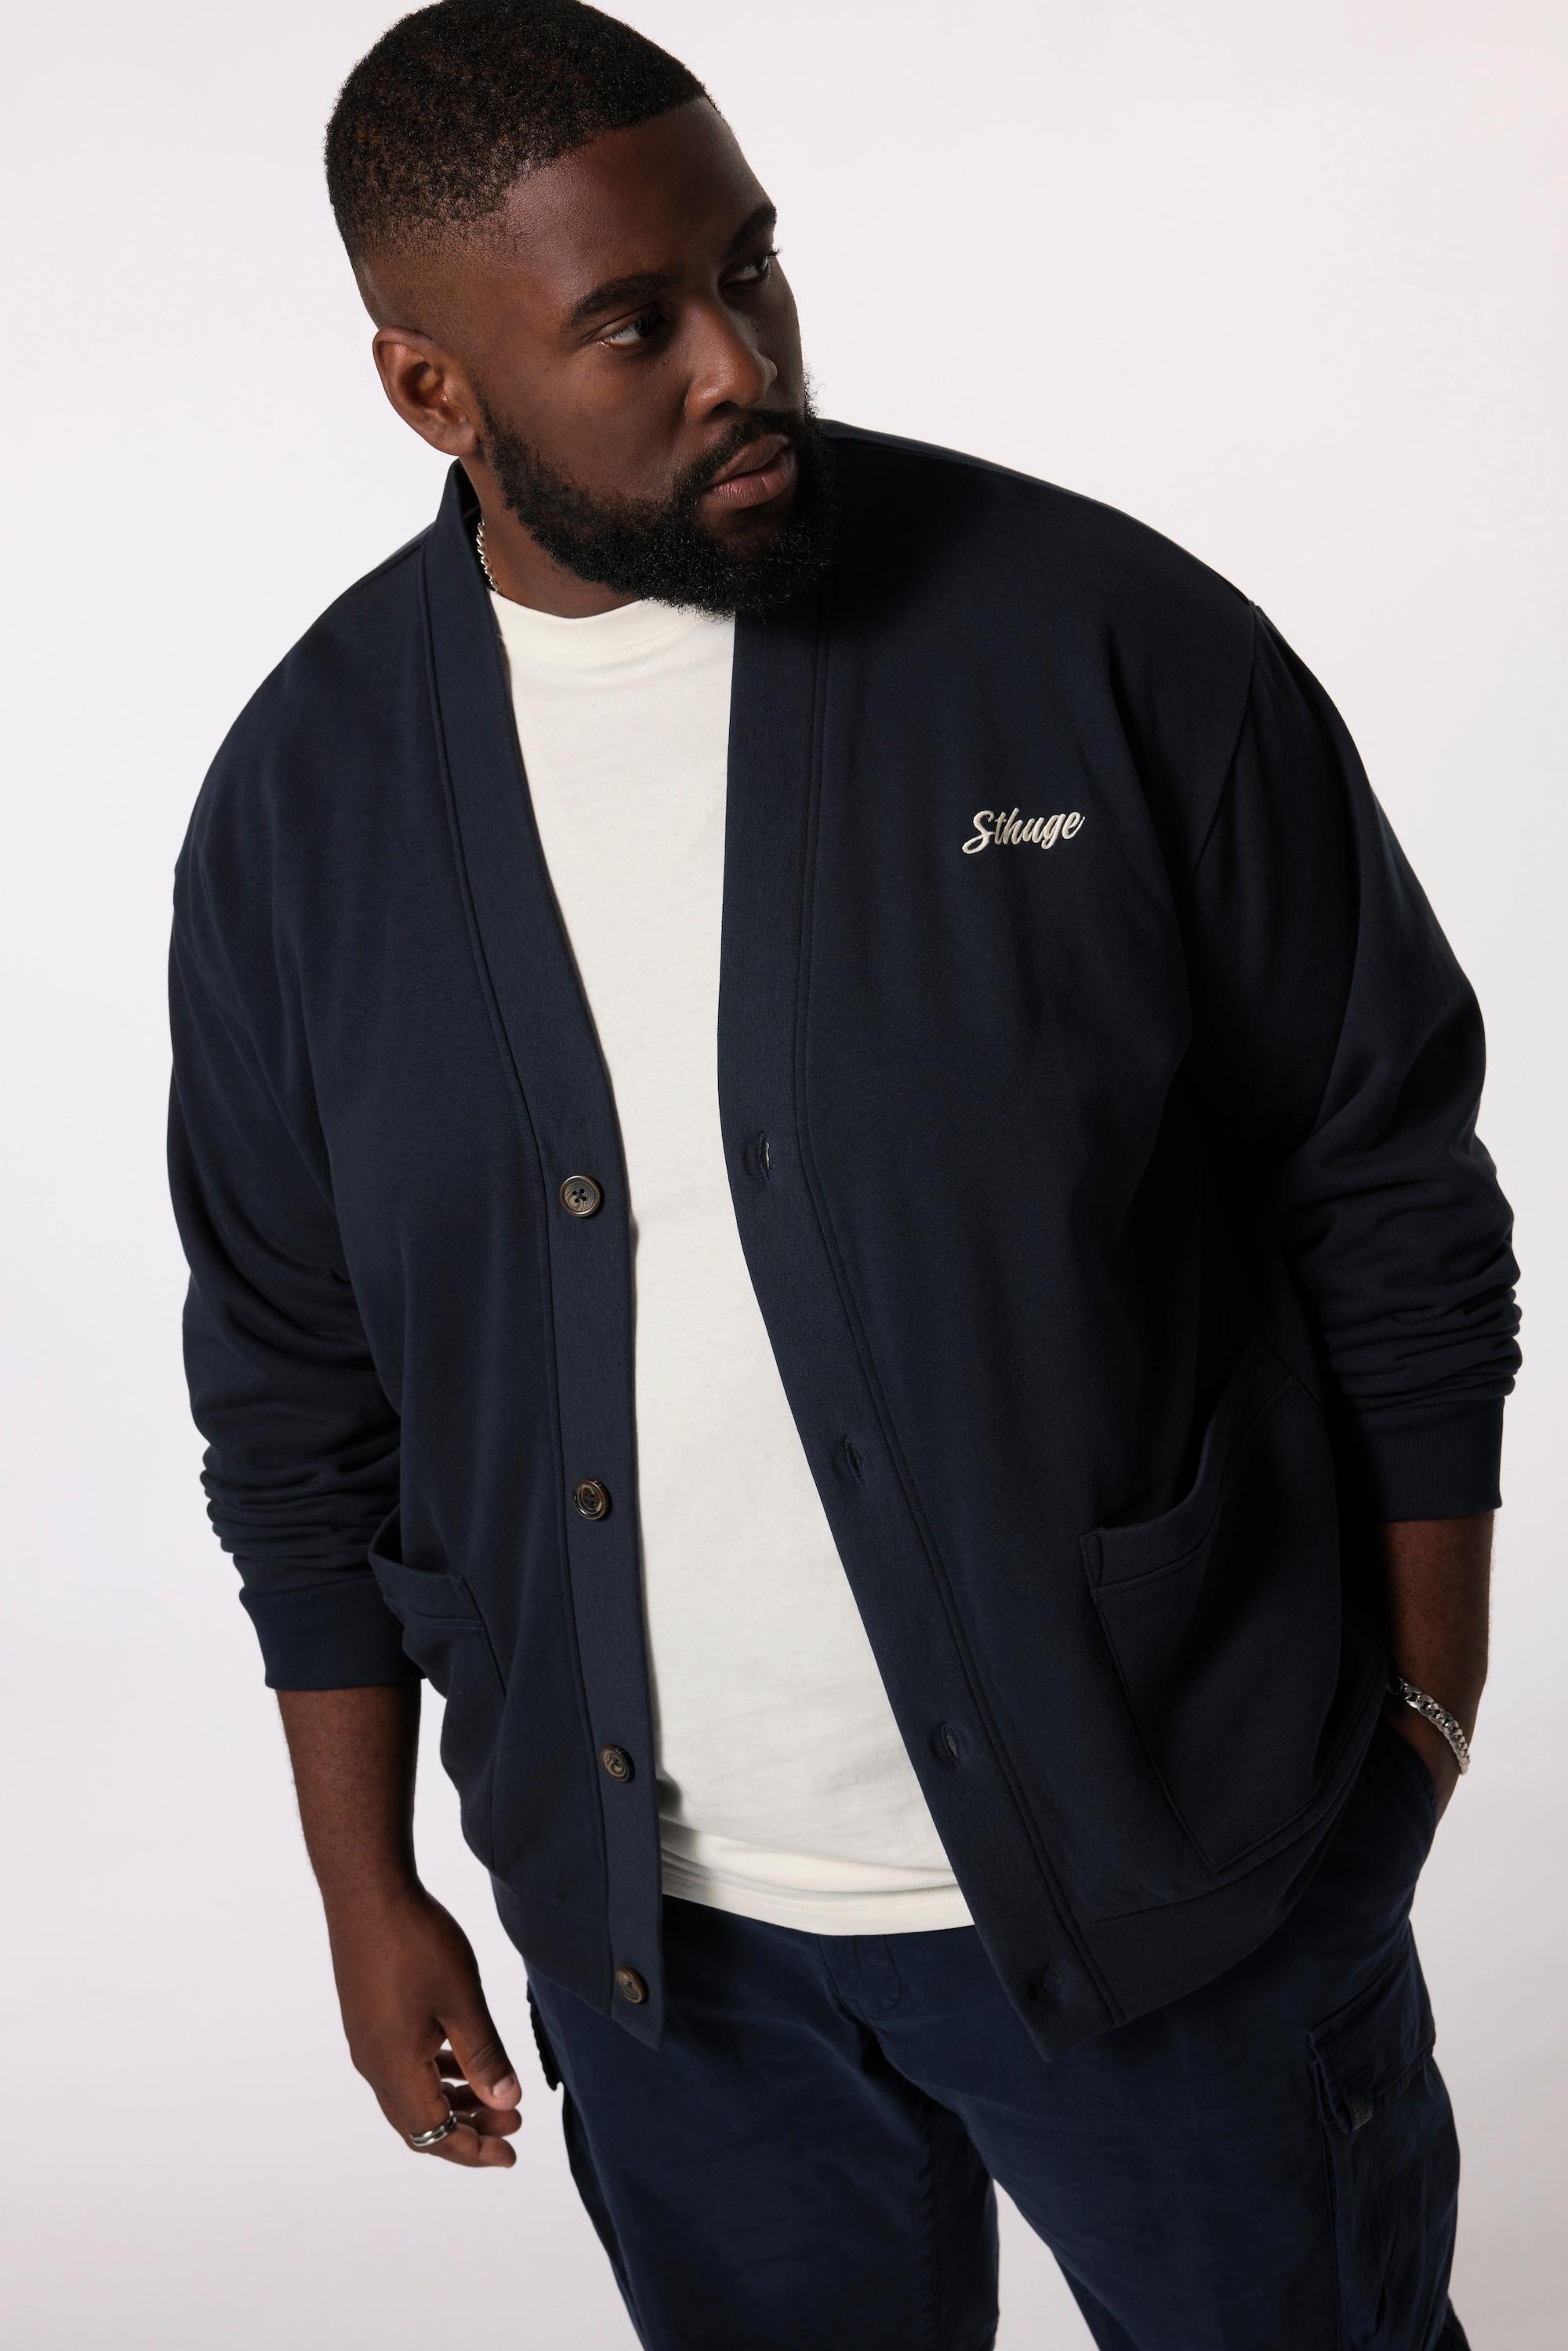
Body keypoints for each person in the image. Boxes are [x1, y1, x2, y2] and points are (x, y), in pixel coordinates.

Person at [165, 5, 1522, 2346]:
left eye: (753, 269)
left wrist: (1425, 1713)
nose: (743, 363)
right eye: (635, 325)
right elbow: (297, 1393)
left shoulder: (1103, 641)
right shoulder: (307, 809)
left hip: (1186, 1896)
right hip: (666, 1974)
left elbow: (1384, 1187)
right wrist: (365, 1887)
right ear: (431, 389)